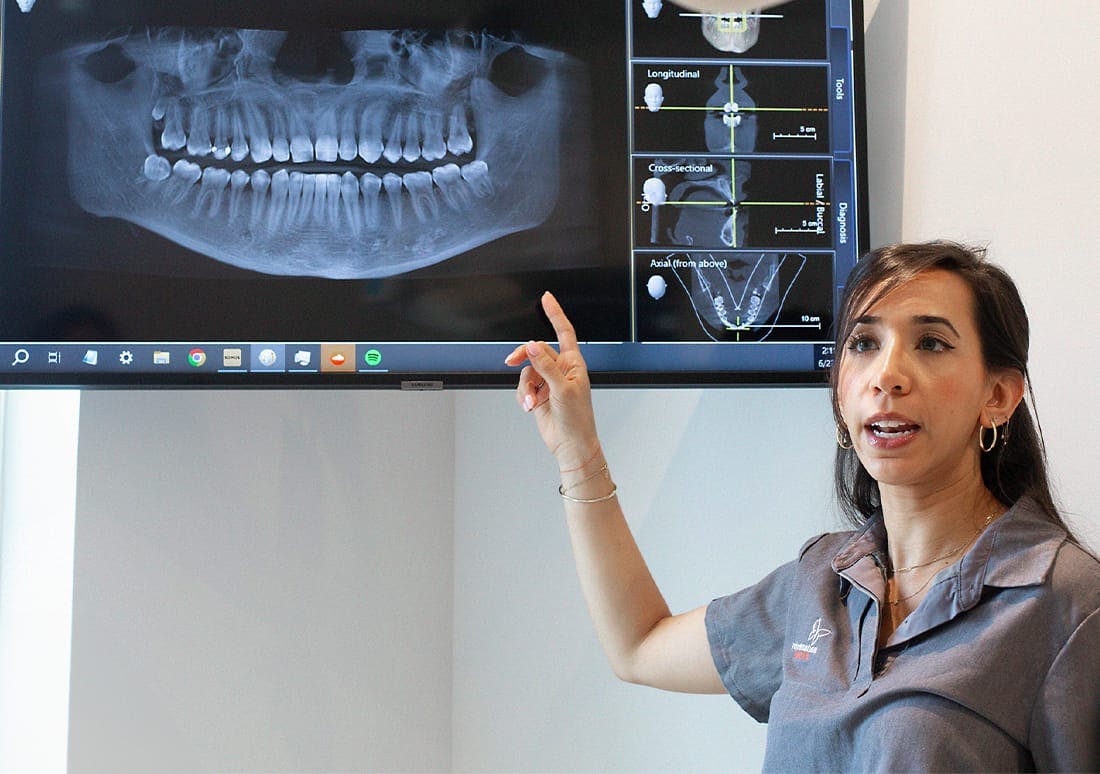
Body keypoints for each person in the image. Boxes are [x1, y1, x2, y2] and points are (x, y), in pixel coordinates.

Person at [504, 241, 1100, 771]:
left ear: (998, 395)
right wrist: (578, 453)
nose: (886, 375)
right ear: (840, 390)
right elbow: (638, 646)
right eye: (863, 343)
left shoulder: (1068, 603)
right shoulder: (822, 581)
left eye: (931, 343)